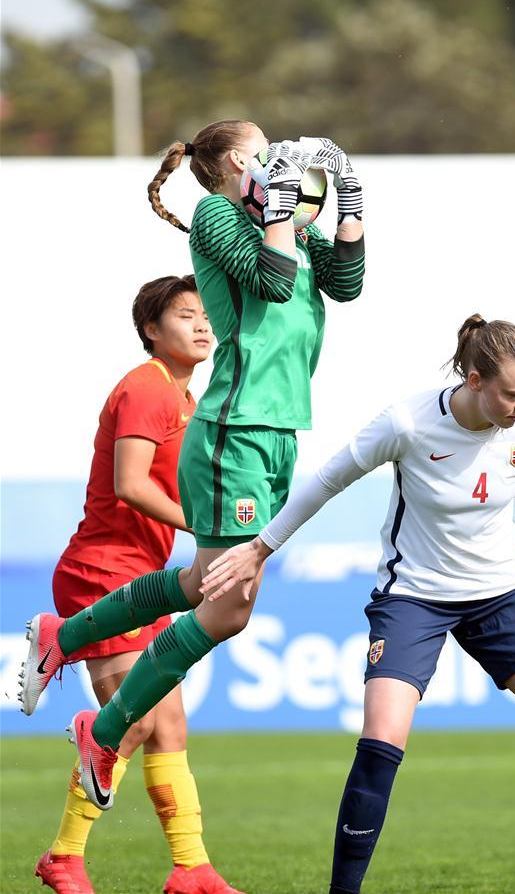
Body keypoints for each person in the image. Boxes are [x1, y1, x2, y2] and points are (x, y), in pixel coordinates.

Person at [199, 315, 515, 894]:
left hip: (502, 592)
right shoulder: (408, 421)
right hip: (415, 596)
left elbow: (495, 501)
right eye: (512, 393)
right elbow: (329, 479)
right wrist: (260, 548)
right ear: (475, 379)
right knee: (382, 741)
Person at [19, 123, 365, 825]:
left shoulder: (285, 220)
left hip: (278, 432)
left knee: (204, 588)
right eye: (266, 150)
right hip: (234, 428)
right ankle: (105, 729)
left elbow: (347, 285)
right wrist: (280, 209)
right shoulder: (216, 213)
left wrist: (349, 203)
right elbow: (272, 279)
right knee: (226, 600)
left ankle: (65, 636)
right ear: (240, 161)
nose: (279, 160)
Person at [25, 275, 242, 894]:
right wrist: (205, 525)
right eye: (184, 315)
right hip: (103, 572)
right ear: (152, 330)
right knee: (138, 722)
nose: (202, 325)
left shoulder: (188, 400)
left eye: (206, 316)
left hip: (143, 576)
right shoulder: (147, 388)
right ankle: (64, 856)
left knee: (167, 726)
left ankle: (190, 868)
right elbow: (131, 484)